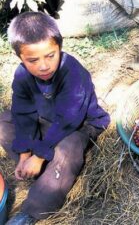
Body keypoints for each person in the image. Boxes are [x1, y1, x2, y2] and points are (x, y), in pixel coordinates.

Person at [0, 11, 110, 224]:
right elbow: (23, 113)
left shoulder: (73, 72)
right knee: (3, 123)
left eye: (50, 55)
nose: (43, 65)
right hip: (47, 121)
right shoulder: (22, 75)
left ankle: (31, 212)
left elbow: (69, 119)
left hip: (79, 124)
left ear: (59, 47)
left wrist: (39, 155)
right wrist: (24, 154)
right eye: (33, 60)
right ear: (20, 58)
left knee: (67, 149)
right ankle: (40, 170)